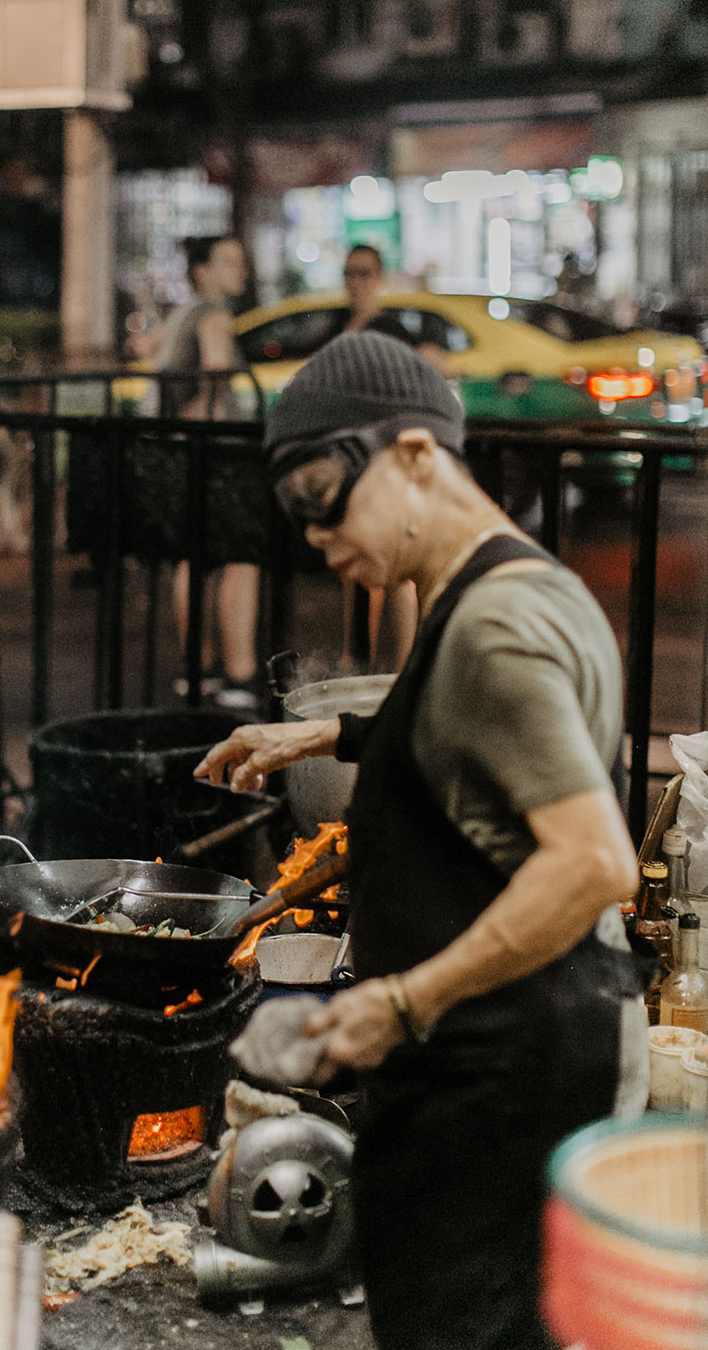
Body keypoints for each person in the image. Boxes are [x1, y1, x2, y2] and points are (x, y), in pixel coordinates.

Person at [194, 330, 649, 1350]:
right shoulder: (521, 584)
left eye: (321, 493)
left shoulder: (493, 627)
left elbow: (592, 862)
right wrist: (323, 732)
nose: (311, 533)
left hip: (496, 1081)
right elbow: (468, 729)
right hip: (513, 1061)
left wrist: (400, 1003)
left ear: (410, 456)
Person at [154, 235, 260, 710]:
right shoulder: (214, 314)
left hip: (182, 453)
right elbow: (215, 373)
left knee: (193, 559)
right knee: (241, 556)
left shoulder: (182, 313)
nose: (241, 269)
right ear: (202, 271)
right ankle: (240, 673)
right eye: (229, 261)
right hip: (216, 453)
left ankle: (197, 667)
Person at [336, 244, 419, 671]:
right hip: (356, 461)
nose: (356, 281)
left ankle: (395, 667)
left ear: (380, 277)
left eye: (365, 273)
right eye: (350, 272)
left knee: (394, 568)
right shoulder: (345, 328)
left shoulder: (390, 330)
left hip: (383, 458)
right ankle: (359, 662)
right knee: (361, 565)